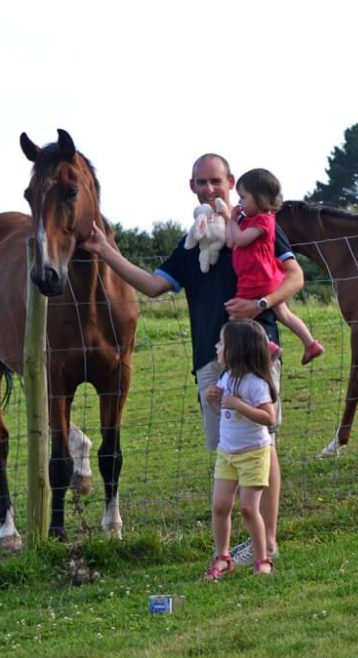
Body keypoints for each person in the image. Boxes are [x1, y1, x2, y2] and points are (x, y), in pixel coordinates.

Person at [82, 153, 300, 566]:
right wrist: (104, 250)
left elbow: (295, 277)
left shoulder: (257, 226)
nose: (208, 189)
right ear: (191, 187)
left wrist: (260, 304)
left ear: (231, 182)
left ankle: (266, 543)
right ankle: (238, 545)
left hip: (256, 353)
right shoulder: (191, 243)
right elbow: (151, 285)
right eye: (201, 183)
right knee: (228, 450)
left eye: (215, 181)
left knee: (263, 443)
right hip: (210, 359)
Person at [221, 168, 324, 365]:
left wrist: (232, 220)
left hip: (256, 279)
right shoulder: (253, 220)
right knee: (284, 314)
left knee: (237, 317)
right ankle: (310, 343)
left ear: (259, 198)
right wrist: (231, 222)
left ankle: (267, 345)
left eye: (243, 197)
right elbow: (229, 241)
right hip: (268, 278)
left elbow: (240, 240)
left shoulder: (263, 220)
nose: (240, 202)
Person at [202, 320, 277, 579]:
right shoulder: (226, 377)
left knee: (247, 508)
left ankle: (263, 559)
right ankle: (222, 556)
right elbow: (227, 413)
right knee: (220, 506)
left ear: (236, 349)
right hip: (227, 453)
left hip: (254, 453)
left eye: (221, 343)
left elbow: (269, 418)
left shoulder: (255, 383)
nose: (216, 346)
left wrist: (238, 404)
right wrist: (215, 402)